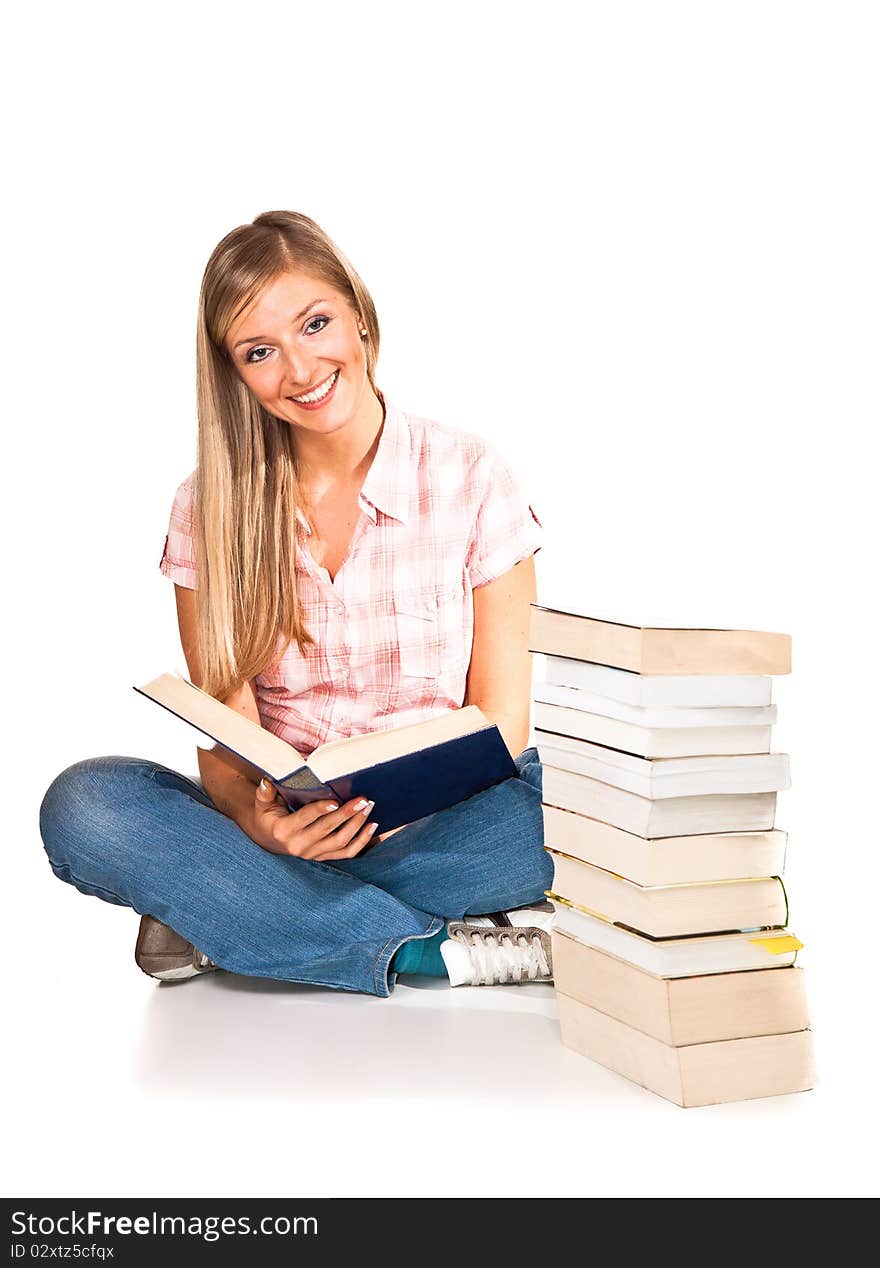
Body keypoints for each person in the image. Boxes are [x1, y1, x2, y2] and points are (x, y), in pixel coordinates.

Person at [38, 210, 555, 997]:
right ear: (235, 374)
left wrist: (257, 865)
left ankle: (225, 913)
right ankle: (423, 950)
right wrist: (262, 828)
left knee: (574, 815)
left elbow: (502, 719)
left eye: (316, 323)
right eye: (260, 352)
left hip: (453, 824)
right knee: (87, 805)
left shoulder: (472, 475)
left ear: (358, 314)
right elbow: (225, 732)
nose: (300, 367)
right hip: (284, 832)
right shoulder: (208, 506)